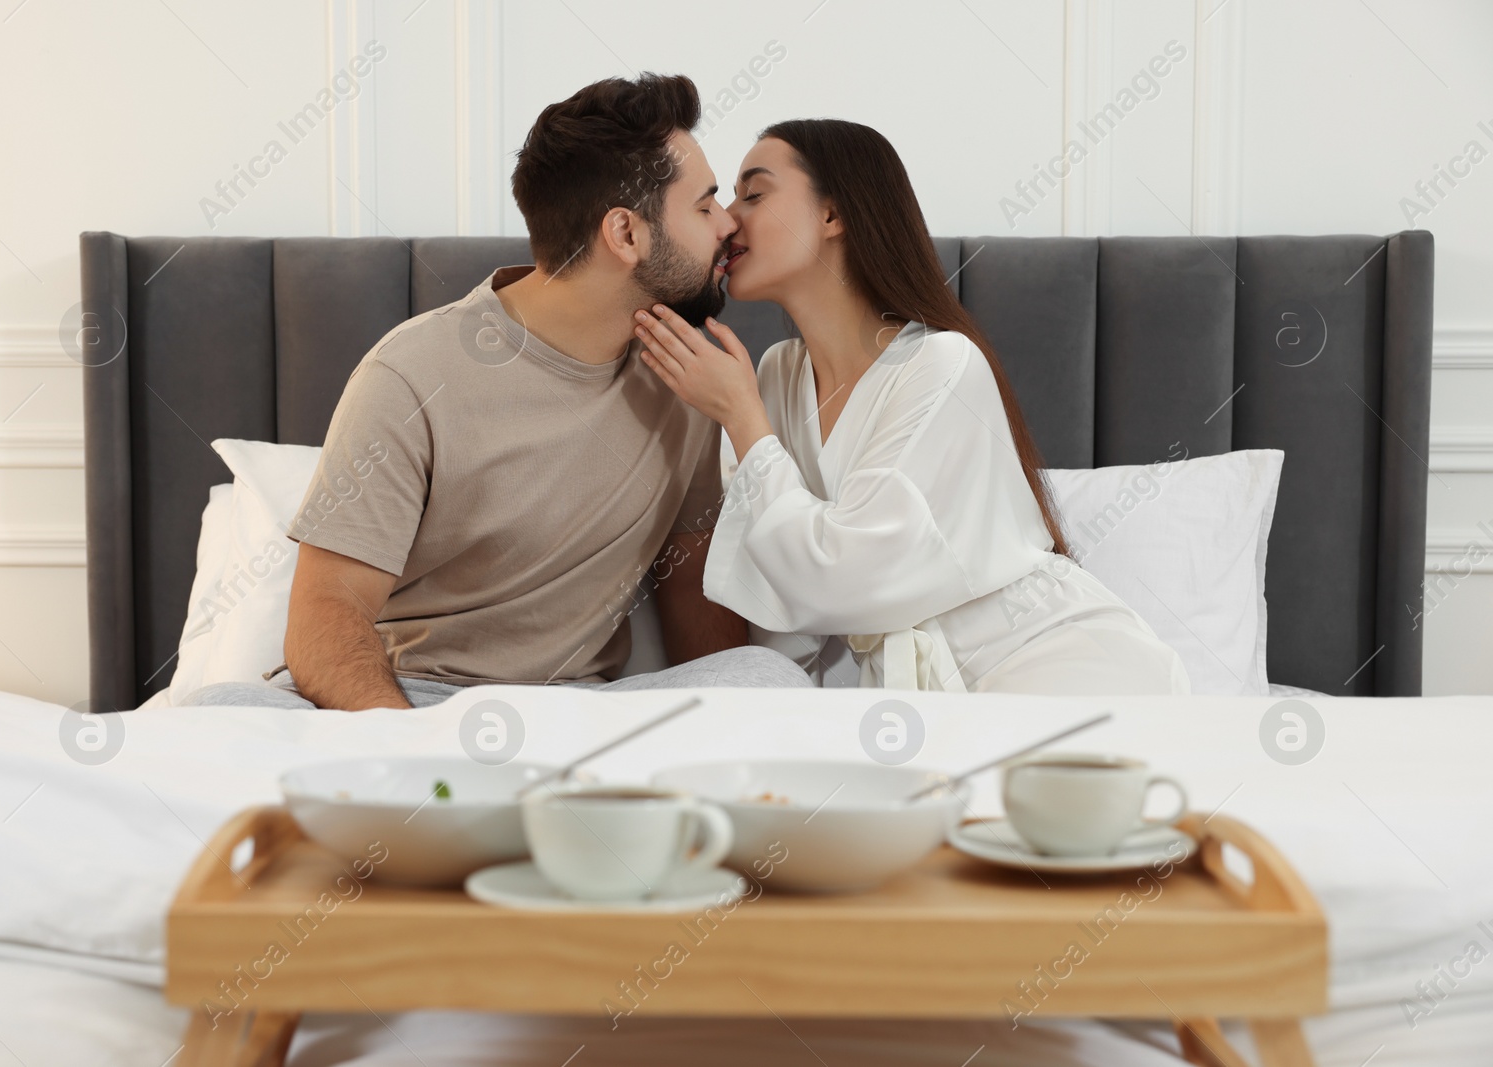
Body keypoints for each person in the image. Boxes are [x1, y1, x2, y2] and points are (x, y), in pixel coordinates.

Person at [181, 74, 812, 711]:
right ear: (625, 234)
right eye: (704, 206)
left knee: (766, 680)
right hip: (409, 700)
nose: (729, 223)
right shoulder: (411, 374)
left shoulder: (687, 376)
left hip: (575, 713)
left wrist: (727, 720)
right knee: (216, 714)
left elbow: (688, 583)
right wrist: (419, 762)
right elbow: (326, 617)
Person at [631, 119, 1190, 695]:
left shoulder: (943, 364)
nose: (727, 220)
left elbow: (846, 579)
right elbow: (772, 587)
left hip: (1051, 664)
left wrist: (740, 414)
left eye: (753, 193)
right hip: (914, 700)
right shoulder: (773, 374)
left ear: (833, 215)